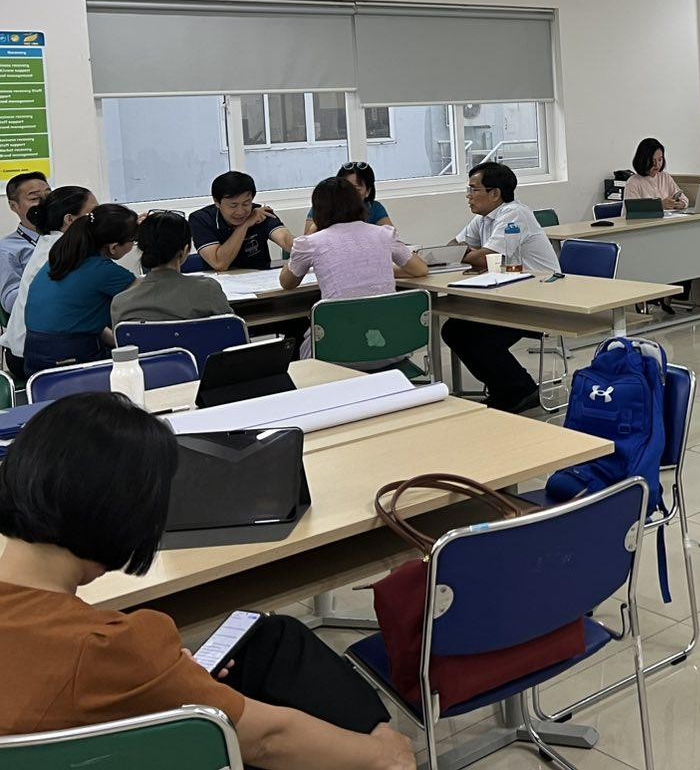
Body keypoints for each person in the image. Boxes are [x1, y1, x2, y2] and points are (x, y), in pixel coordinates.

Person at [0, 392, 414, 769]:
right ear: (121, 516)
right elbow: (268, 741)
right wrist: (383, 754)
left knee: (271, 639)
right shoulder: (109, 648)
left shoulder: (88, 643)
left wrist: (169, 678)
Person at [441, 161, 559, 412]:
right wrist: (463, 253)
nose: (468, 196)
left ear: (495, 193)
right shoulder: (483, 219)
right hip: (510, 296)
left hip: (540, 299)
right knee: (455, 329)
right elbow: (453, 247)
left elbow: (483, 257)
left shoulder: (514, 213)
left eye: (474, 189)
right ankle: (506, 389)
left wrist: (465, 255)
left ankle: (520, 390)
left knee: (477, 336)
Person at [281, 177, 427, 359]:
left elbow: (287, 282)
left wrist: (311, 231)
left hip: (336, 355)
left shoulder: (310, 243)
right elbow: (420, 270)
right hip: (391, 349)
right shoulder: (384, 233)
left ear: (318, 210)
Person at [23, 204, 137, 380]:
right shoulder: (104, 271)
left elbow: (82, 323)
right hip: (69, 362)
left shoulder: (59, 261)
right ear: (114, 247)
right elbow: (150, 296)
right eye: (134, 240)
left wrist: (119, 343)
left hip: (34, 359)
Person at [0, 186, 95, 378]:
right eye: (93, 215)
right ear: (69, 219)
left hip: (35, 344)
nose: (43, 200)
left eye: (47, 193)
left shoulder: (49, 241)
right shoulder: (63, 249)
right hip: (32, 351)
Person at [110, 210, 232, 326]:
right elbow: (231, 331)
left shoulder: (121, 303)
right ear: (185, 250)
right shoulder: (208, 289)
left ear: (143, 249)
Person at [190, 171, 294, 272]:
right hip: (218, 281)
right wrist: (245, 225)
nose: (240, 211)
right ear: (217, 202)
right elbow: (219, 263)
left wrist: (300, 246)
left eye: (246, 204)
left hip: (259, 278)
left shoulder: (260, 213)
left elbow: (284, 239)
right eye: (233, 205)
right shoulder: (201, 219)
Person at [1, 170, 49, 315]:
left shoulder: (65, 236)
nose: (45, 203)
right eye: (34, 198)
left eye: (49, 195)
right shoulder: (7, 249)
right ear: (14, 206)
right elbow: (10, 302)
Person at [304, 161, 393, 234]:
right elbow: (306, 243)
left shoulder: (374, 208)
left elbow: (392, 237)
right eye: (345, 188)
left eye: (356, 189)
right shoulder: (321, 207)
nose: (349, 194)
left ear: (368, 191)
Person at [622, 138, 688, 210]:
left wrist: (682, 203)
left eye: (660, 159)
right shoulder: (633, 182)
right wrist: (659, 206)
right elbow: (633, 211)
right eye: (652, 160)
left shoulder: (665, 177)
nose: (657, 164)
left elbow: (682, 197)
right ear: (642, 160)